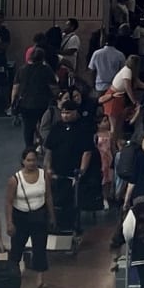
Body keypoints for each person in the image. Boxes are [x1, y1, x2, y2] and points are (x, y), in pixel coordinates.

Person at [43, 100, 97, 236]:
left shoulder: (83, 128)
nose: (65, 115)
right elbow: (49, 149)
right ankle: (55, 224)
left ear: (75, 113)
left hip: (74, 173)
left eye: (68, 113)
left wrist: (82, 170)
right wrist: (48, 168)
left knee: (73, 202)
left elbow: (87, 151)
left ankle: (73, 227)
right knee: (55, 199)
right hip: (57, 172)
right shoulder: (57, 128)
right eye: (63, 113)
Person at [5, 148, 55, 288]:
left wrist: (52, 216)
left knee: (40, 247)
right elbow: (8, 202)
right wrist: (9, 222)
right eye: (28, 160)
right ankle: (13, 274)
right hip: (20, 216)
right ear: (23, 161)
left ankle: (40, 279)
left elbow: (48, 196)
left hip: (39, 215)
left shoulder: (43, 176)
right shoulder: (14, 180)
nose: (32, 163)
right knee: (17, 247)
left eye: (34, 160)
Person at [102, 54, 144, 141]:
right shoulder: (127, 71)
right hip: (114, 97)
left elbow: (138, 83)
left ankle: (116, 142)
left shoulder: (129, 71)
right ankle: (111, 146)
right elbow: (127, 87)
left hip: (119, 97)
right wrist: (134, 101)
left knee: (118, 125)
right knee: (114, 127)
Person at [11, 47, 58, 147]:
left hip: (25, 104)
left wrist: (13, 103)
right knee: (44, 126)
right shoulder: (46, 70)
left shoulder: (22, 69)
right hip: (43, 104)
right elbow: (53, 88)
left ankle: (29, 148)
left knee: (28, 128)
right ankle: (44, 146)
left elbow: (15, 88)